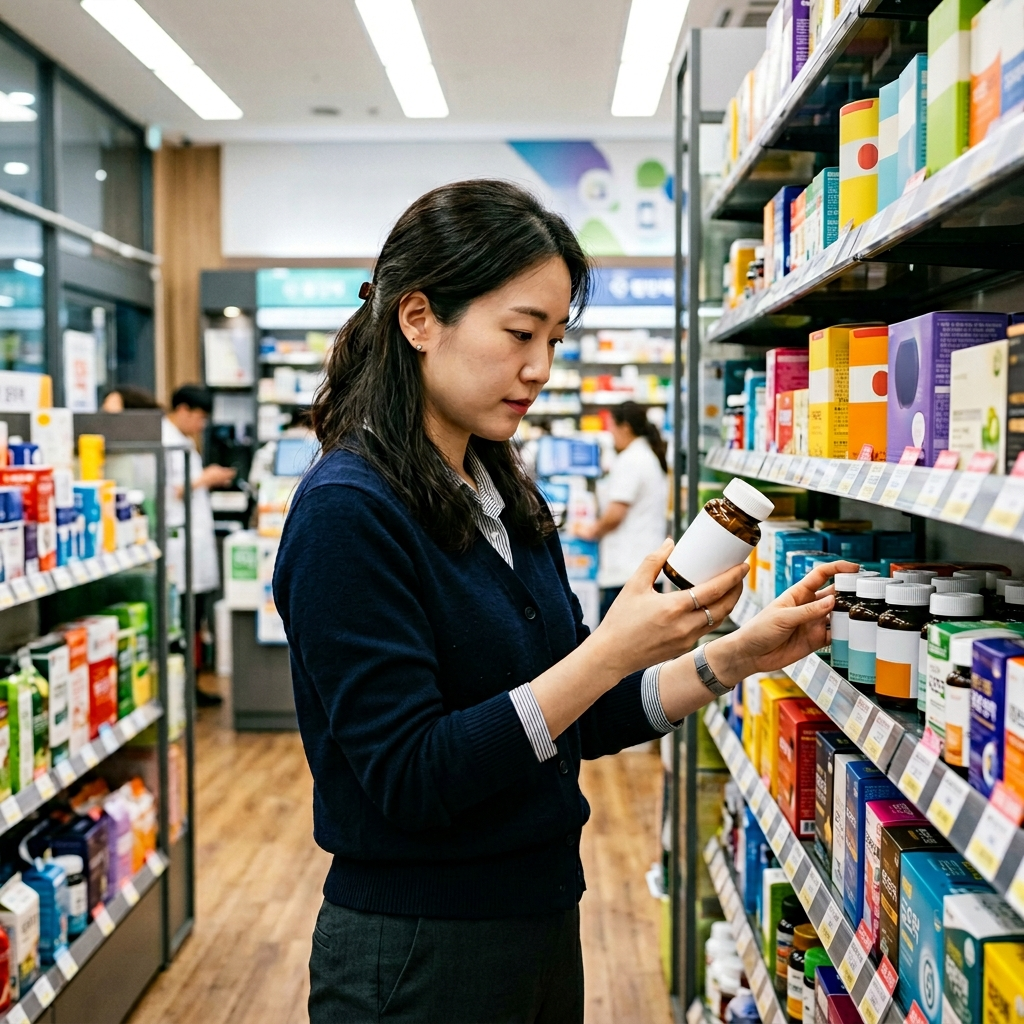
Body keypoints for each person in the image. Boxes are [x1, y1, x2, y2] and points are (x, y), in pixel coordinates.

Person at [273, 180, 845, 1024]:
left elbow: (578, 713)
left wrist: (733, 656)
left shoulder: (496, 488)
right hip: (420, 949)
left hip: (537, 917)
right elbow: (411, 776)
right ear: (419, 318)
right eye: (520, 333)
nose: (541, 368)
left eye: (554, 339)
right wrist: (608, 650)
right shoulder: (347, 513)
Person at [163, 384, 237, 707]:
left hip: (192, 546)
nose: (202, 424)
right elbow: (173, 490)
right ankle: (180, 692)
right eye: (200, 417)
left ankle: (190, 688)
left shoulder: (182, 442)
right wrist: (207, 478)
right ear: (183, 410)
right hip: (177, 548)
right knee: (180, 623)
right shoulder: (164, 441)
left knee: (193, 621)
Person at [575, 401, 669, 621]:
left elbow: (616, 514)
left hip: (627, 571)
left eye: (612, 427)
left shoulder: (631, 460)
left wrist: (592, 530)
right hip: (642, 566)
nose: (611, 434)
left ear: (625, 427)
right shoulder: (646, 455)